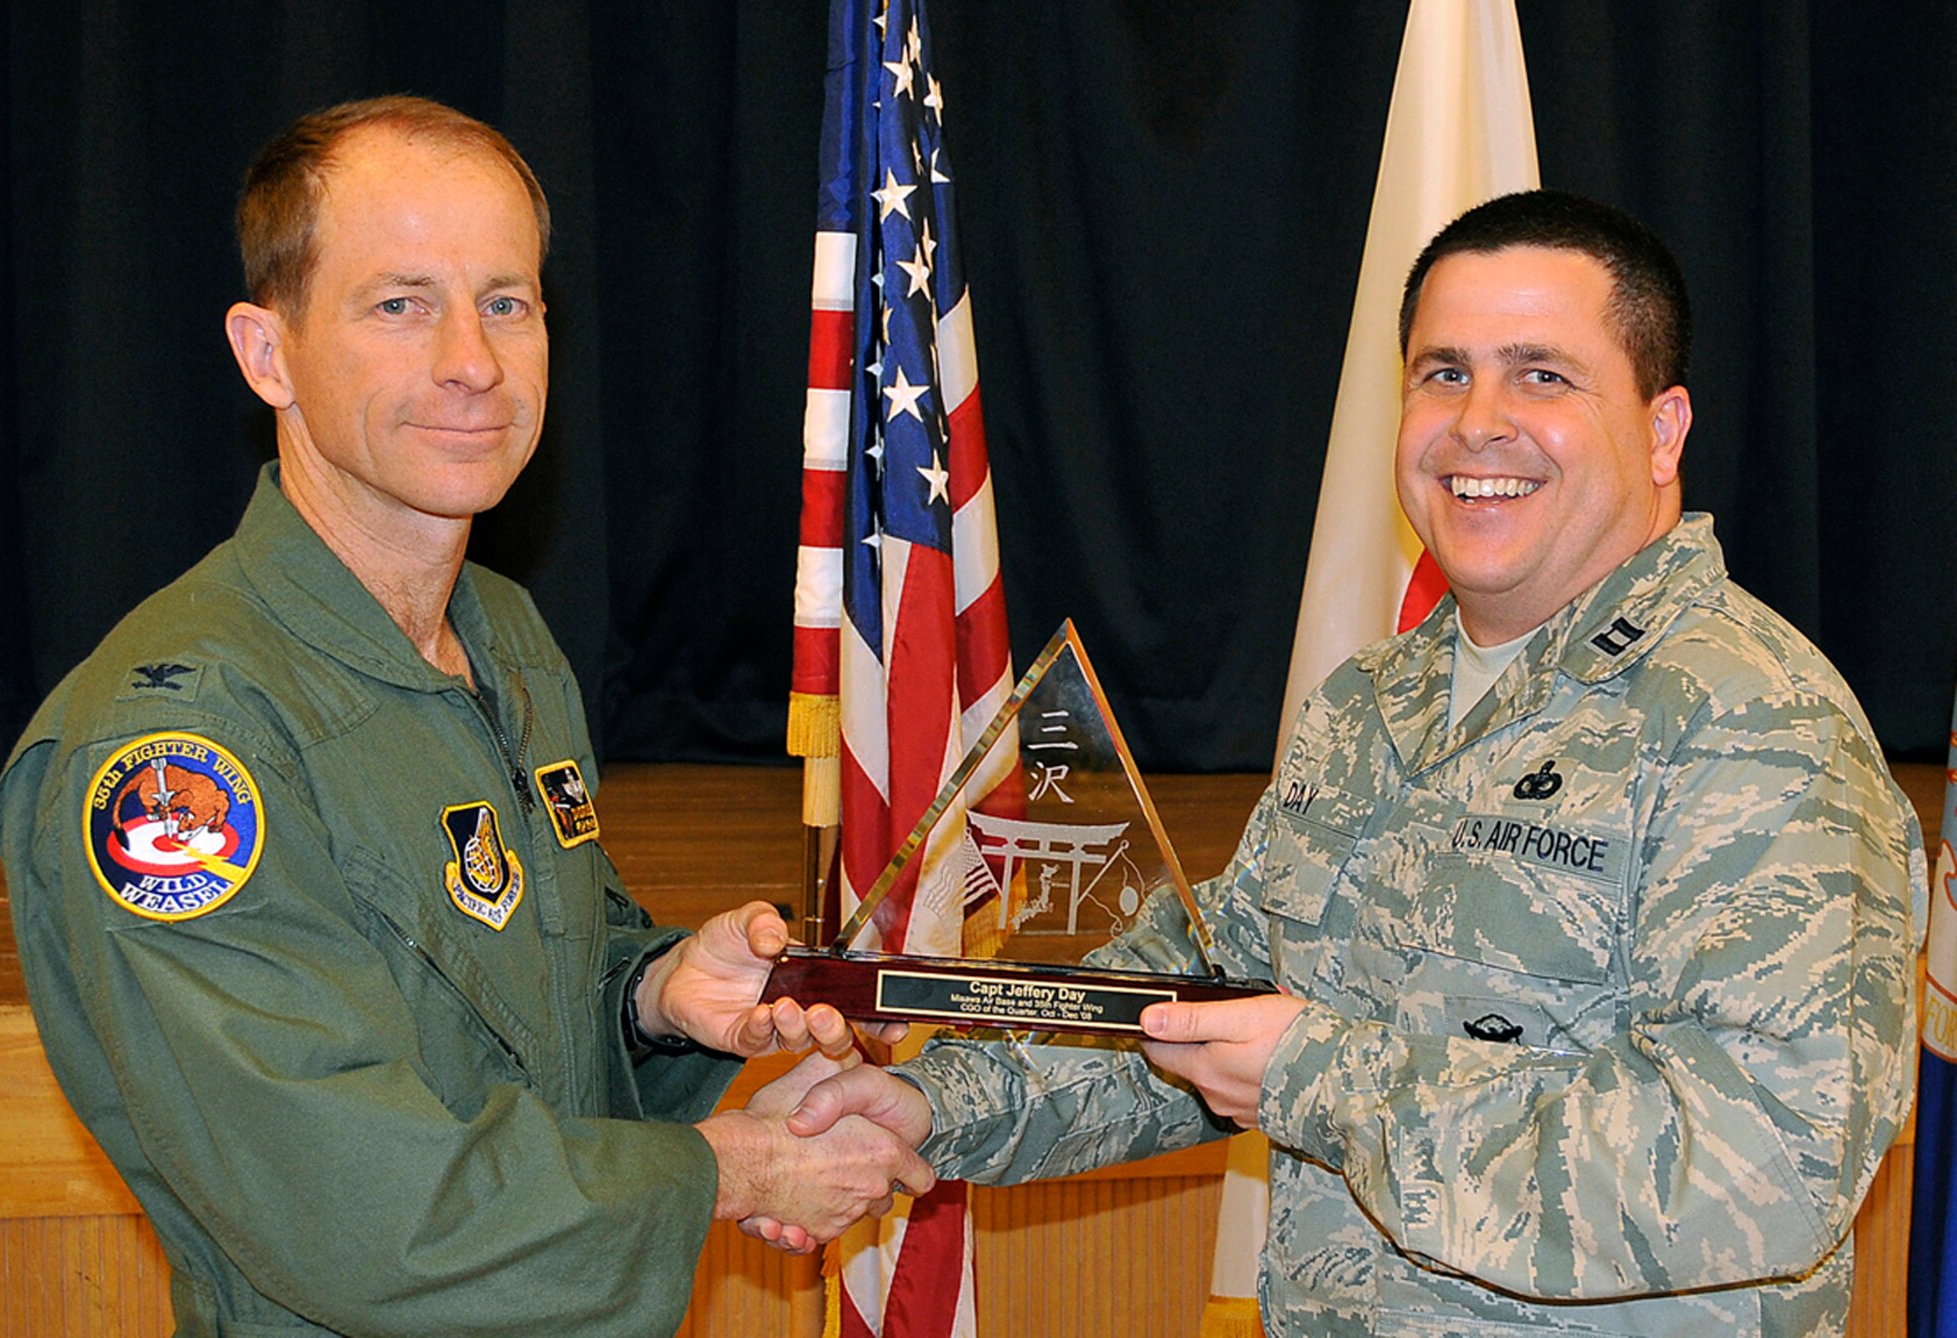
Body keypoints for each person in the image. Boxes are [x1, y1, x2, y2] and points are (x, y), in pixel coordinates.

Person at [779, 191, 1926, 1335]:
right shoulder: (1371, 707)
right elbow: (1201, 1003)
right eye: (1442, 373)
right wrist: (929, 1108)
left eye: (1541, 376)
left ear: (1661, 427)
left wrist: (1317, 1079)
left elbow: (1768, 1171)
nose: (1478, 422)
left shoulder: (1753, 726)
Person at [0, 96, 927, 1337]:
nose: (472, 364)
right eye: (400, 303)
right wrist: (736, 1167)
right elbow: (362, 1213)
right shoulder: (180, 758)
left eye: (506, 301)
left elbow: (500, 1005)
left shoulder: (506, 638)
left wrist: (651, 994)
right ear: (266, 353)